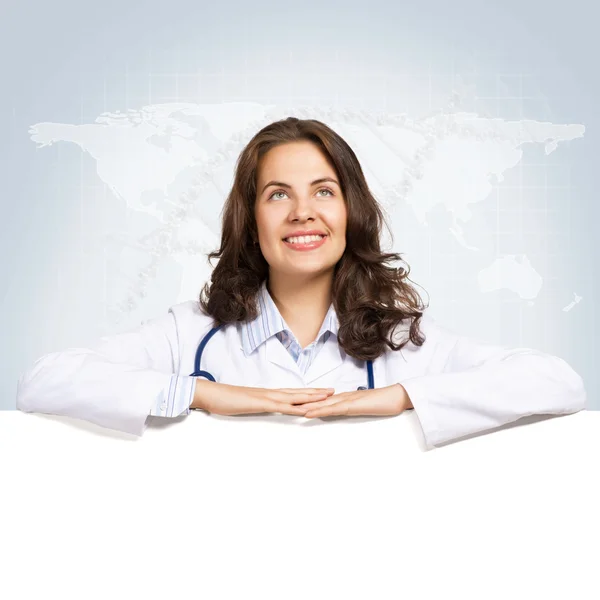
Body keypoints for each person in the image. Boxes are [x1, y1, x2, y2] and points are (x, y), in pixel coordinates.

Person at [16, 117, 586, 449]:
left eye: (323, 191)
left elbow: (557, 383)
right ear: (252, 218)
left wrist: (398, 398)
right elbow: (44, 381)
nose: (302, 212)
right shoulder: (189, 334)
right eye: (278, 194)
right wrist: (209, 394)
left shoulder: (402, 341)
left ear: (349, 212)